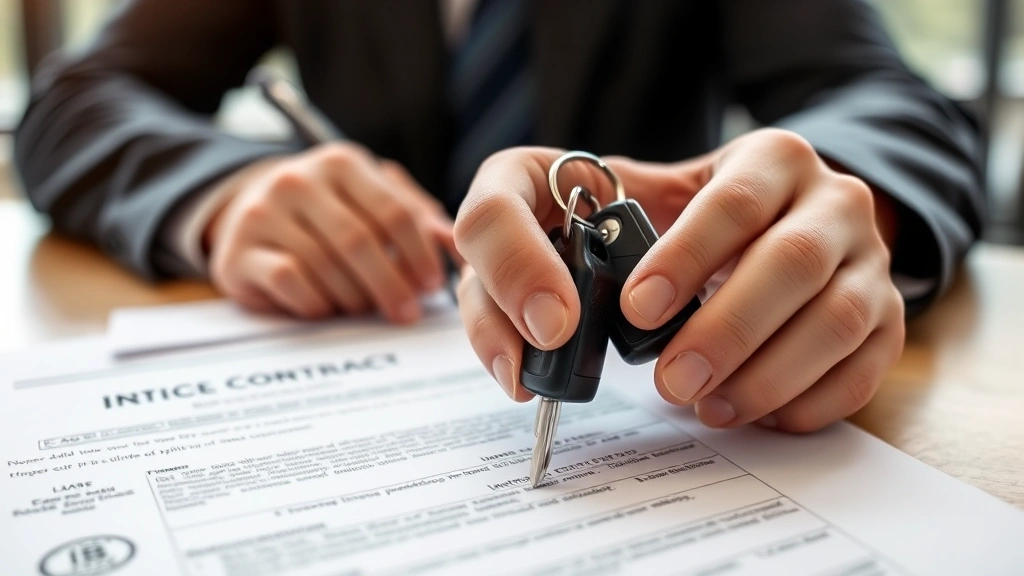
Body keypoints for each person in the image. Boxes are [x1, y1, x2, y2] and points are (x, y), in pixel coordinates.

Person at [15, 1, 982, 431]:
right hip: (359, 333)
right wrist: (219, 196)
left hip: (669, 366)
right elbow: (78, 97)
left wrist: (838, 208)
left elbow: (890, 106)